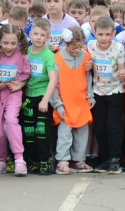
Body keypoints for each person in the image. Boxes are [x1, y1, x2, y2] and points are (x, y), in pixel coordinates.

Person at [0, 24, 30, 175]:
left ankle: (19, 159)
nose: (9, 47)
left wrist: (20, 84)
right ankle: (0, 161)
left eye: (13, 43)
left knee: (11, 121)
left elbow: (26, 74)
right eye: (5, 43)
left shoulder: (21, 54)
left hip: (12, 93)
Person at [51, 26, 94, 174]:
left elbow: (88, 78)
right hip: (65, 102)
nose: (78, 50)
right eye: (75, 46)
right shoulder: (57, 58)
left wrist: (90, 95)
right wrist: (58, 104)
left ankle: (79, 160)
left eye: (80, 46)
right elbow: (54, 84)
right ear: (67, 43)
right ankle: (62, 161)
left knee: (82, 132)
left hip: (81, 101)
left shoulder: (86, 56)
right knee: (65, 133)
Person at [87, 17, 125, 174]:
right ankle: (104, 159)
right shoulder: (90, 46)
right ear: (94, 32)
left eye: (107, 34)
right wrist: (87, 65)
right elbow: (85, 61)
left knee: (113, 125)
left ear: (113, 33)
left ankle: (115, 159)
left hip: (115, 91)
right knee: (100, 126)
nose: (104, 38)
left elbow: (122, 68)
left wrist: (122, 72)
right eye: (100, 34)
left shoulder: (118, 48)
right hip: (98, 92)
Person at [22, 19, 57, 175]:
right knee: (28, 131)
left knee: (41, 131)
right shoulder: (26, 52)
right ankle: (33, 160)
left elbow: (53, 79)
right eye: (35, 34)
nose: (38, 37)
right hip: (28, 97)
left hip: (42, 97)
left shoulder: (48, 55)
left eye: (42, 35)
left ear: (47, 37)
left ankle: (45, 161)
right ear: (30, 34)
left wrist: (45, 100)